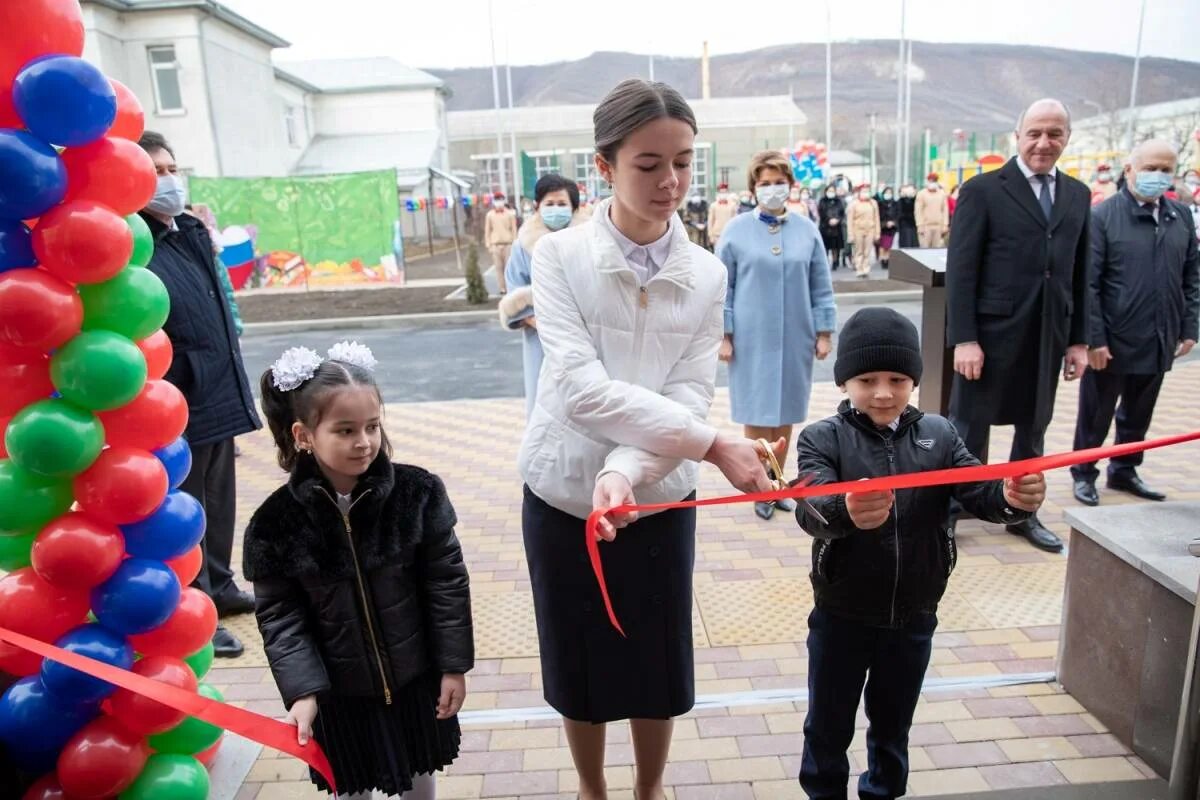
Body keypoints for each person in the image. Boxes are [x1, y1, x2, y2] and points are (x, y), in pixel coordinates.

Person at [518, 78, 780, 800]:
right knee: (579, 657)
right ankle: (593, 788)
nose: (670, 182)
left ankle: (650, 787)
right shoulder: (559, 257)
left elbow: (688, 392)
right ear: (604, 165)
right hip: (564, 488)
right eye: (647, 165)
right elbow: (579, 388)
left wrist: (631, 470)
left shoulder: (706, 273)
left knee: (659, 657)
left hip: (660, 495)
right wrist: (713, 444)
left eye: (685, 163)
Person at [794, 307, 1046, 800]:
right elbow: (810, 504)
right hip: (841, 614)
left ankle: (884, 792)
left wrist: (1012, 500)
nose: (883, 392)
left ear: (915, 380)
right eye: (867, 379)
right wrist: (845, 508)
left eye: (897, 378)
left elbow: (979, 491)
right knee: (827, 724)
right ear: (844, 381)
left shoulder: (941, 435)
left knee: (893, 726)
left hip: (914, 614)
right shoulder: (823, 438)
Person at [244, 342, 473, 799]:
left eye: (371, 426)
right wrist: (303, 692)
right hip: (337, 695)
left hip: (414, 680)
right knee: (348, 784)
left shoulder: (418, 494)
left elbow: (446, 583)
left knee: (420, 774)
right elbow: (280, 617)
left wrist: (452, 666)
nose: (364, 442)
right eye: (345, 430)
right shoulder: (275, 525)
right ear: (304, 434)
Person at [946, 98, 1091, 552]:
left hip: (1047, 338)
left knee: (1034, 428)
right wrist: (964, 338)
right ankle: (949, 512)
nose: (1044, 143)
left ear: (1066, 138)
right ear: (1018, 136)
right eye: (1035, 133)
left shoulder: (1078, 195)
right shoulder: (984, 190)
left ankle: (1021, 512)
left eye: (1055, 134)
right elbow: (962, 270)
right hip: (989, 339)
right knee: (968, 427)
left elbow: (1081, 272)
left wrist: (1079, 341)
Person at [136, 131, 261, 658]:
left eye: (171, 168)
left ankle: (220, 582)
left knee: (219, 496)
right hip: (177, 394)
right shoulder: (134, 243)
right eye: (156, 172)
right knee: (187, 506)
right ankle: (196, 605)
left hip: (216, 384)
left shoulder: (186, 228)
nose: (169, 180)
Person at [1071, 139, 1199, 506]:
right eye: (1150, 168)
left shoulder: (1179, 217)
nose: (1158, 177)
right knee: (1095, 413)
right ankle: (1084, 472)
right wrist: (1094, 338)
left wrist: (1189, 327)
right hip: (1112, 339)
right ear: (1129, 170)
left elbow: (1191, 275)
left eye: (1165, 170)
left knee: (1138, 412)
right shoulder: (1104, 217)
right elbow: (1088, 284)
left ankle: (1125, 469)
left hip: (1159, 336)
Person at [717, 150, 837, 520]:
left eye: (778, 182)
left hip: (795, 335)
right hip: (751, 337)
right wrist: (724, 333)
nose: (772, 189)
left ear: (790, 185)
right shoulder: (736, 230)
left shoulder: (807, 230)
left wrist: (824, 331)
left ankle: (779, 481)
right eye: (765, 183)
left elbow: (821, 283)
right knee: (756, 412)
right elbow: (724, 286)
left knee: (786, 411)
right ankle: (758, 487)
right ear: (753, 188)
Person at [500, 173, 587, 419]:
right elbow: (515, 289)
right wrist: (541, 323)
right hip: (541, 339)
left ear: (574, 207)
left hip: (584, 335)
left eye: (562, 204)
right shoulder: (522, 245)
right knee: (544, 404)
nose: (556, 209)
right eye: (550, 204)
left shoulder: (590, 242)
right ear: (537, 206)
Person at [484, 192, 518, 295]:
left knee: (508, 268)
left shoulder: (510, 214)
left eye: (501, 199)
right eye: (497, 200)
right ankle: (502, 288)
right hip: (495, 245)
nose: (499, 202)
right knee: (498, 268)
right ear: (494, 201)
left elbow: (514, 229)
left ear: (504, 200)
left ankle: (509, 287)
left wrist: (515, 243)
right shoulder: (490, 215)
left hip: (508, 244)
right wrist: (488, 244)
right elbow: (487, 230)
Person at [847, 183, 881, 278]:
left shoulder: (873, 203)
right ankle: (859, 268)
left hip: (870, 229)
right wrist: (850, 234)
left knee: (867, 251)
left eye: (867, 191)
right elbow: (850, 220)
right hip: (857, 229)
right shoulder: (854, 204)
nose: (866, 193)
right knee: (859, 251)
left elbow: (876, 218)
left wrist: (877, 232)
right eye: (864, 191)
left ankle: (866, 268)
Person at [915, 173, 949, 247]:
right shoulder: (921, 193)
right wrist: (919, 225)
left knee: (937, 249)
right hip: (925, 226)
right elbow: (918, 211)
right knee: (925, 248)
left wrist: (945, 224)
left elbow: (945, 210)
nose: (932, 183)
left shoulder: (942, 193)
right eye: (930, 181)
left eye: (934, 181)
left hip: (938, 226)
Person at [818, 185, 846, 270]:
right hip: (825, 227)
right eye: (829, 191)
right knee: (825, 247)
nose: (831, 192)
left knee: (835, 246)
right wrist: (828, 220)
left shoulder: (839, 201)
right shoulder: (822, 201)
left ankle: (835, 261)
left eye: (832, 191)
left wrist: (837, 220)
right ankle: (825, 262)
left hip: (836, 228)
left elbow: (842, 213)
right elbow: (821, 212)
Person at [707, 182, 739, 251]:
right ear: (718, 193)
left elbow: (736, 220)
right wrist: (711, 235)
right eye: (721, 192)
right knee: (718, 254)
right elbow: (710, 221)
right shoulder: (713, 206)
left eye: (725, 192)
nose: (723, 194)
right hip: (717, 235)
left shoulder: (732, 205)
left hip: (730, 234)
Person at [876, 185, 899, 269]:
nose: (888, 194)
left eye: (890, 193)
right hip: (882, 228)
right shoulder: (880, 204)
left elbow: (897, 215)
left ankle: (888, 259)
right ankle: (883, 259)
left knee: (889, 245)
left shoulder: (895, 204)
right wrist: (885, 223)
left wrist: (893, 222)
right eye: (886, 193)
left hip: (892, 228)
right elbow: (877, 216)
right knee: (882, 245)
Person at [897, 183, 918, 248]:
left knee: (914, 243)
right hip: (904, 226)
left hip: (915, 225)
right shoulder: (901, 201)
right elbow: (900, 213)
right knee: (906, 243)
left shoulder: (916, 200)